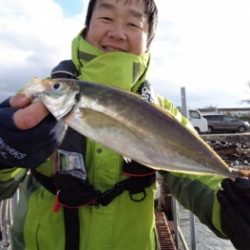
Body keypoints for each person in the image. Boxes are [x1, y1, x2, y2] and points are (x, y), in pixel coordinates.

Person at [0, 0, 250, 249]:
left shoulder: (162, 111)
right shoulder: (37, 98)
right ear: (86, 27)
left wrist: (229, 206)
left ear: (148, 41)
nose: (117, 33)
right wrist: (4, 155)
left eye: (132, 23)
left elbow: (194, 179)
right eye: (106, 19)